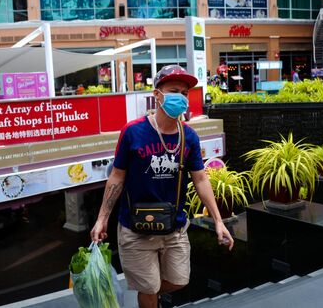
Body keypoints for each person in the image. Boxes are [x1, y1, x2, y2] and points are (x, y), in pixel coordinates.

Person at [90, 65, 234, 308]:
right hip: (136, 229)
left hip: (174, 228)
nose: (181, 97)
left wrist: (218, 220)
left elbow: (200, 178)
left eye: (185, 93)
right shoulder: (133, 132)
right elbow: (116, 177)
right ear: (157, 95)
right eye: (174, 90)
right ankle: (149, 295)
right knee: (148, 287)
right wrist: (102, 218)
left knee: (179, 280)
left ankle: (151, 295)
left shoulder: (189, 136)